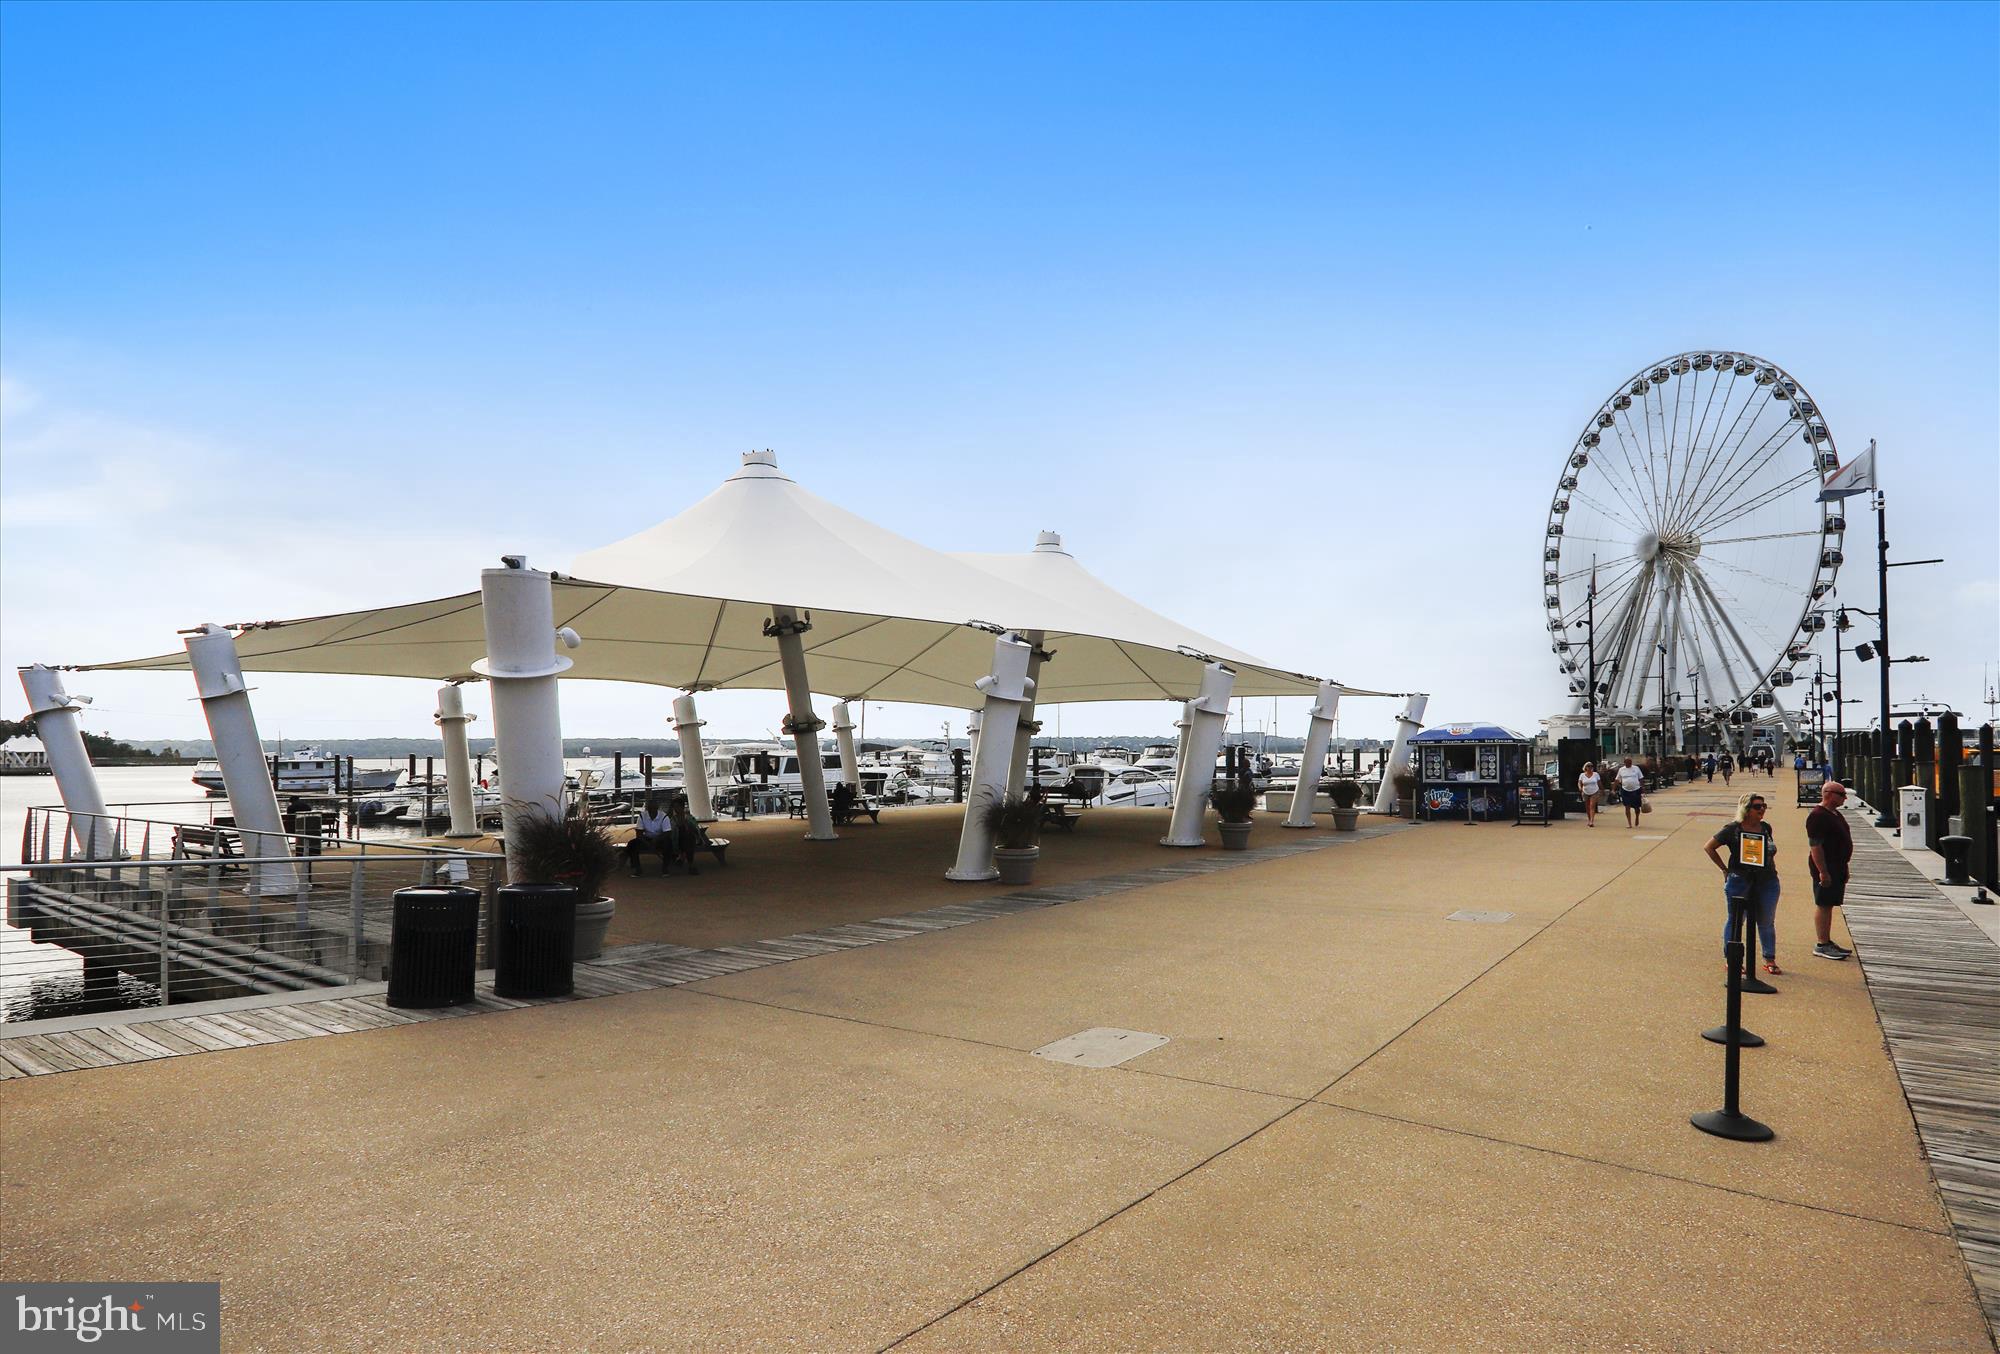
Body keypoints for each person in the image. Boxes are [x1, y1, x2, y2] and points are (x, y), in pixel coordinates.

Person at [1705, 791, 1781, 974]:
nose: (1762, 810)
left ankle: (1769, 958)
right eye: (1757, 807)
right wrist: (1725, 869)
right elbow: (1709, 847)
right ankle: (1733, 960)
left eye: (1764, 806)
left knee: (1766, 921)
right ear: (1746, 809)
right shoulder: (1732, 829)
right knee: (1736, 920)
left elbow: (1770, 852)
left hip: (1767, 880)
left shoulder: (1765, 828)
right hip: (1740, 880)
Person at [1804, 780, 1855, 961]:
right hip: (1827, 866)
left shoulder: (1834, 814)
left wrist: (1845, 866)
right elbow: (1815, 846)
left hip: (1838, 865)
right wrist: (1823, 871)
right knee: (1824, 903)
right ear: (1828, 794)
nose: (1845, 798)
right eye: (1841, 794)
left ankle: (1827, 940)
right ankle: (1822, 943)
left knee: (1830, 903)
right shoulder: (1818, 816)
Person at [626, 796, 673, 876]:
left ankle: (665, 869)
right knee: (632, 844)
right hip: (646, 839)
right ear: (647, 808)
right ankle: (637, 869)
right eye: (650, 808)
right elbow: (639, 833)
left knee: (668, 843)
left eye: (653, 808)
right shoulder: (642, 816)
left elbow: (667, 833)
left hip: (660, 839)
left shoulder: (664, 817)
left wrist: (657, 840)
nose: (652, 810)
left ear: (657, 808)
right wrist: (646, 842)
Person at [668, 796, 703, 875]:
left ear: (682, 807)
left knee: (688, 838)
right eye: (674, 807)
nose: (676, 809)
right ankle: (689, 863)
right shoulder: (672, 819)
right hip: (677, 841)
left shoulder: (689, 818)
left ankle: (682, 856)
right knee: (687, 840)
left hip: (687, 840)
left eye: (677, 807)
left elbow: (696, 829)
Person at [1614, 756, 1645, 828]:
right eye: (1627, 762)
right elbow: (1617, 779)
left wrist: (1642, 788)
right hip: (1625, 790)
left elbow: (1641, 778)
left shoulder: (1636, 768)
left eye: (1630, 762)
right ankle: (1629, 823)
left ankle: (1637, 817)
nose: (1629, 763)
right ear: (1624, 762)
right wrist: (1613, 789)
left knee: (1637, 807)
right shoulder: (1621, 770)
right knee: (1627, 806)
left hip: (1636, 789)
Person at [1577, 761, 1602, 828]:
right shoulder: (1582, 775)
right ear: (1585, 767)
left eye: (1591, 766)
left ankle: (1591, 821)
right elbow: (1579, 783)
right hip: (1585, 791)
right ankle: (1589, 819)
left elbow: (1599, 783)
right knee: (1587, 807)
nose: (1590, 767)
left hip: (1594, 791)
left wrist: (1602, 790)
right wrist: (1580, 788)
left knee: (1592, 806)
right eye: (1588, 766)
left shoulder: (1596, 774)